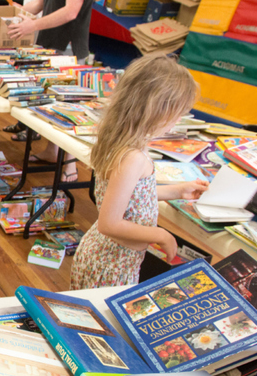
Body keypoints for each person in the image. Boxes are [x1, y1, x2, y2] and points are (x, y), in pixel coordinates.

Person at [70, 56, 208, 289]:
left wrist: (178, 190)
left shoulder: (124, 141)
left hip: (109, 259)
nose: (175, 124)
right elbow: (109, 223)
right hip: (111, 266)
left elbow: (131, 195)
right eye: (176, 115)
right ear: (156, 110)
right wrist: (161, 235)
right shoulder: (132, 156)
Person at [6, 0, 95, 181]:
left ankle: (71, 166)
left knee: (67, 108)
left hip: (68, 51)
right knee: (48, 104)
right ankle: (51, 151)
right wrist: (12, 12)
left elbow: (71, 11)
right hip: (50, 46)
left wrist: (32, 26)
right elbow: (38, 4)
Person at [3, 0, 54, 137]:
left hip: (38, 34)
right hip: (28, 34)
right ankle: (23, 124)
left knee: (35, 81)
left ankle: (33, 129)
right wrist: (20, 9)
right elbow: (33, 5)